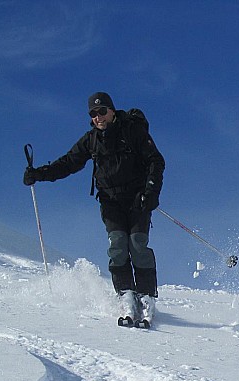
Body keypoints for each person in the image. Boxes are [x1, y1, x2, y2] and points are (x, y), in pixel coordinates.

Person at [23, 92, 165, 323]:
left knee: (137, 243)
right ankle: (126, 295)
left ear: (111, 110)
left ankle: (146, 296)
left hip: (138, 198)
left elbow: (156, 161)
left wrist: (151, 192)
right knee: (118, 244)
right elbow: (68, 163)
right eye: (93, 113)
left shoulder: (132, 131)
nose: (98, 117)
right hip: (110, 201)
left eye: (101, 111)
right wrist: (39, 174)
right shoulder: (91, 140)